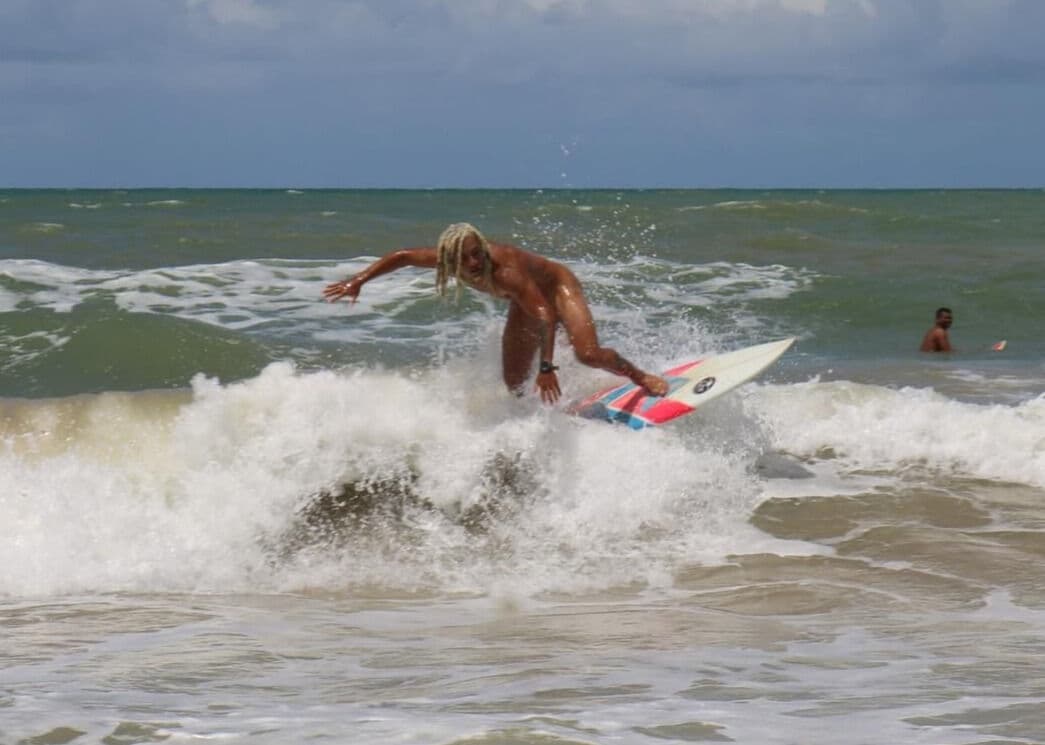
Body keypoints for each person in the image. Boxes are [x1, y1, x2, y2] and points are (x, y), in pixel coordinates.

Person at [323, 222, 669, 404]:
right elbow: (402, 257)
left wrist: (546, 367)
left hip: (556, 290)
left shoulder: (507, 272)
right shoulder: (446, 260)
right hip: (526, 302)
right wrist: (358, 281)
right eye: (463, 258)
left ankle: (640, 377)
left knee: (588, 354)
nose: (473, 263)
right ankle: (555, 411)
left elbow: (546, 314)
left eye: (477, 253)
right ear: (448, 258)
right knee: (514, 385)